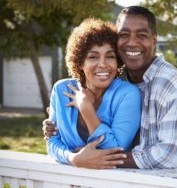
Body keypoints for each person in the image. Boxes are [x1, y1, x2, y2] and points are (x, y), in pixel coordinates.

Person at [43, 6, 177, 170]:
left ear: (154, 40)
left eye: (142, 35)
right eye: (124, 35)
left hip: (174, 180)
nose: (132, 42)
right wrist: (74, 158)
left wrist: (94, 158)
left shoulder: (170, 83)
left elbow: (169, 155)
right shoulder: (119, 76)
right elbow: (53, 141)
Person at [46, 18, 141, 168]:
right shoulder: (61, 90)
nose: (103, 64)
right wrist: (74, 158)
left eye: (110, 56)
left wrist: (85, 108)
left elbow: (115, 151)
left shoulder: (127, 94)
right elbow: (52, 142)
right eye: (93, 57)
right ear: (79, 63)